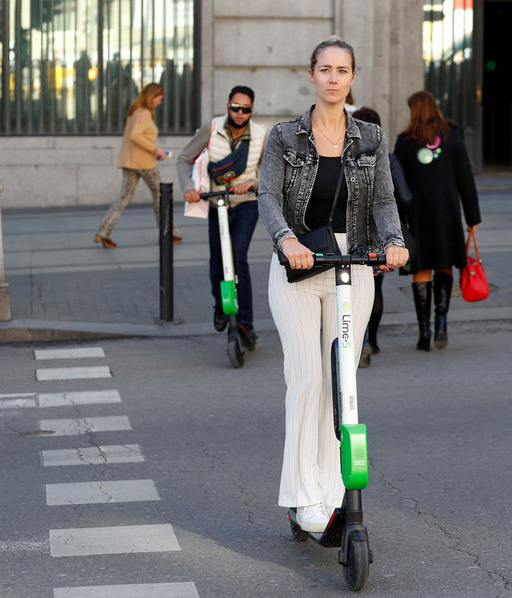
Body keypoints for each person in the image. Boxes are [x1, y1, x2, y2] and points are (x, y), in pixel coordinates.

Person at [258, 38, 408, 533]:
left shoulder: (370, 137)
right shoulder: (285, 136)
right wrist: (285, 240)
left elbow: (384, 199)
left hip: (352, 261)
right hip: (300, 260)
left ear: (352, 77)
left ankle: (332, 494)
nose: (332, 77)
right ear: (312, 74)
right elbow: (268, 196)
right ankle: (304, 500)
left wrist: (393, 241)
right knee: (307, 380)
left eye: (342, 70)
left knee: (342, 384)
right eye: (325, 69)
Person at [177, 86, 266, 345]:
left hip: (246, 203)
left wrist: (253, 184)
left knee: (238, 258)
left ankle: (246, 323)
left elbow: (270, 174)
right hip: (217, 204)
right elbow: (184, 159)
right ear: (228, 106)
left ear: (252, 110)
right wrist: (188, 188)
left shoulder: (261, 135)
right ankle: (220, 303)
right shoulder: (211, 128)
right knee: (217, 262)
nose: (240, 113)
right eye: (235, 107)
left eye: (246, 109)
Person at [394, 90, 481, 351]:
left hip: (418, 215)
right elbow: (466, 177)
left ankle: (424, 331)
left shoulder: (405, 141)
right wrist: (472, 217)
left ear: (414, 110)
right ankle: (441, 323)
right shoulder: (452, 135)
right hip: (447, 212)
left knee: (421, 269)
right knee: (444, 266)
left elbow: (398, 185)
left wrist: (398, 219)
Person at [352, 106, 413, 366]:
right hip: (379, 235)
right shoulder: (387, 158)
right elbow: (406, 196)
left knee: (351, 288)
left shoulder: (342, 156)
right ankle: (371, 340)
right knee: (374, 289)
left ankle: (357, 339)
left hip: (349, 234)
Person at [95, 83, 180, 248]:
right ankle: (169, 232)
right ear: (152, 97)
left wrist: (156, 152)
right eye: (159, 99)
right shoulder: (145, 114)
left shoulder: (135, 110)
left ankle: (103, 232)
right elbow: (136, 136)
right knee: (160, 196)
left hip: (130, 162)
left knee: (124, 198)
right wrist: (156, 149)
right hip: (145, 163)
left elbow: (136, 137)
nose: (160, 102)